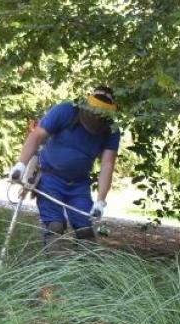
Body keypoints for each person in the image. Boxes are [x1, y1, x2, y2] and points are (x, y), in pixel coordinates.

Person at [10, 86, 120, 243]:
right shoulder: (66, 111)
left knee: (85, 231)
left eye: (102, 115)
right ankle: (54, 266)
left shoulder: (111, 130)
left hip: (79, 184)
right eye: (95, 113)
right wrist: (21, 165)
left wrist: (101, 201)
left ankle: (85, 266)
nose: (97, 118)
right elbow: (37, 135)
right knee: (55, 227)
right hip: (49, 177)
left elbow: (107, 164)